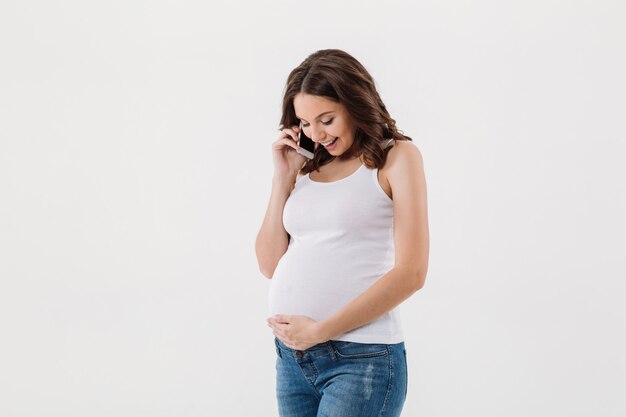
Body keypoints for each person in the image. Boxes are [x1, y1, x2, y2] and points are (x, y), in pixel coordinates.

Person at [255, 49, 429, 417]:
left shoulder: (396, 158)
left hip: (361, 359)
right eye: (304, 123)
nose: (315, 133)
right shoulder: (306, 169)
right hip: (292, 359)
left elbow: (412, 273)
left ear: (355, 104)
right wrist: (283, 177)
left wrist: (321, 330)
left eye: (327, 119)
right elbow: (270, 264)